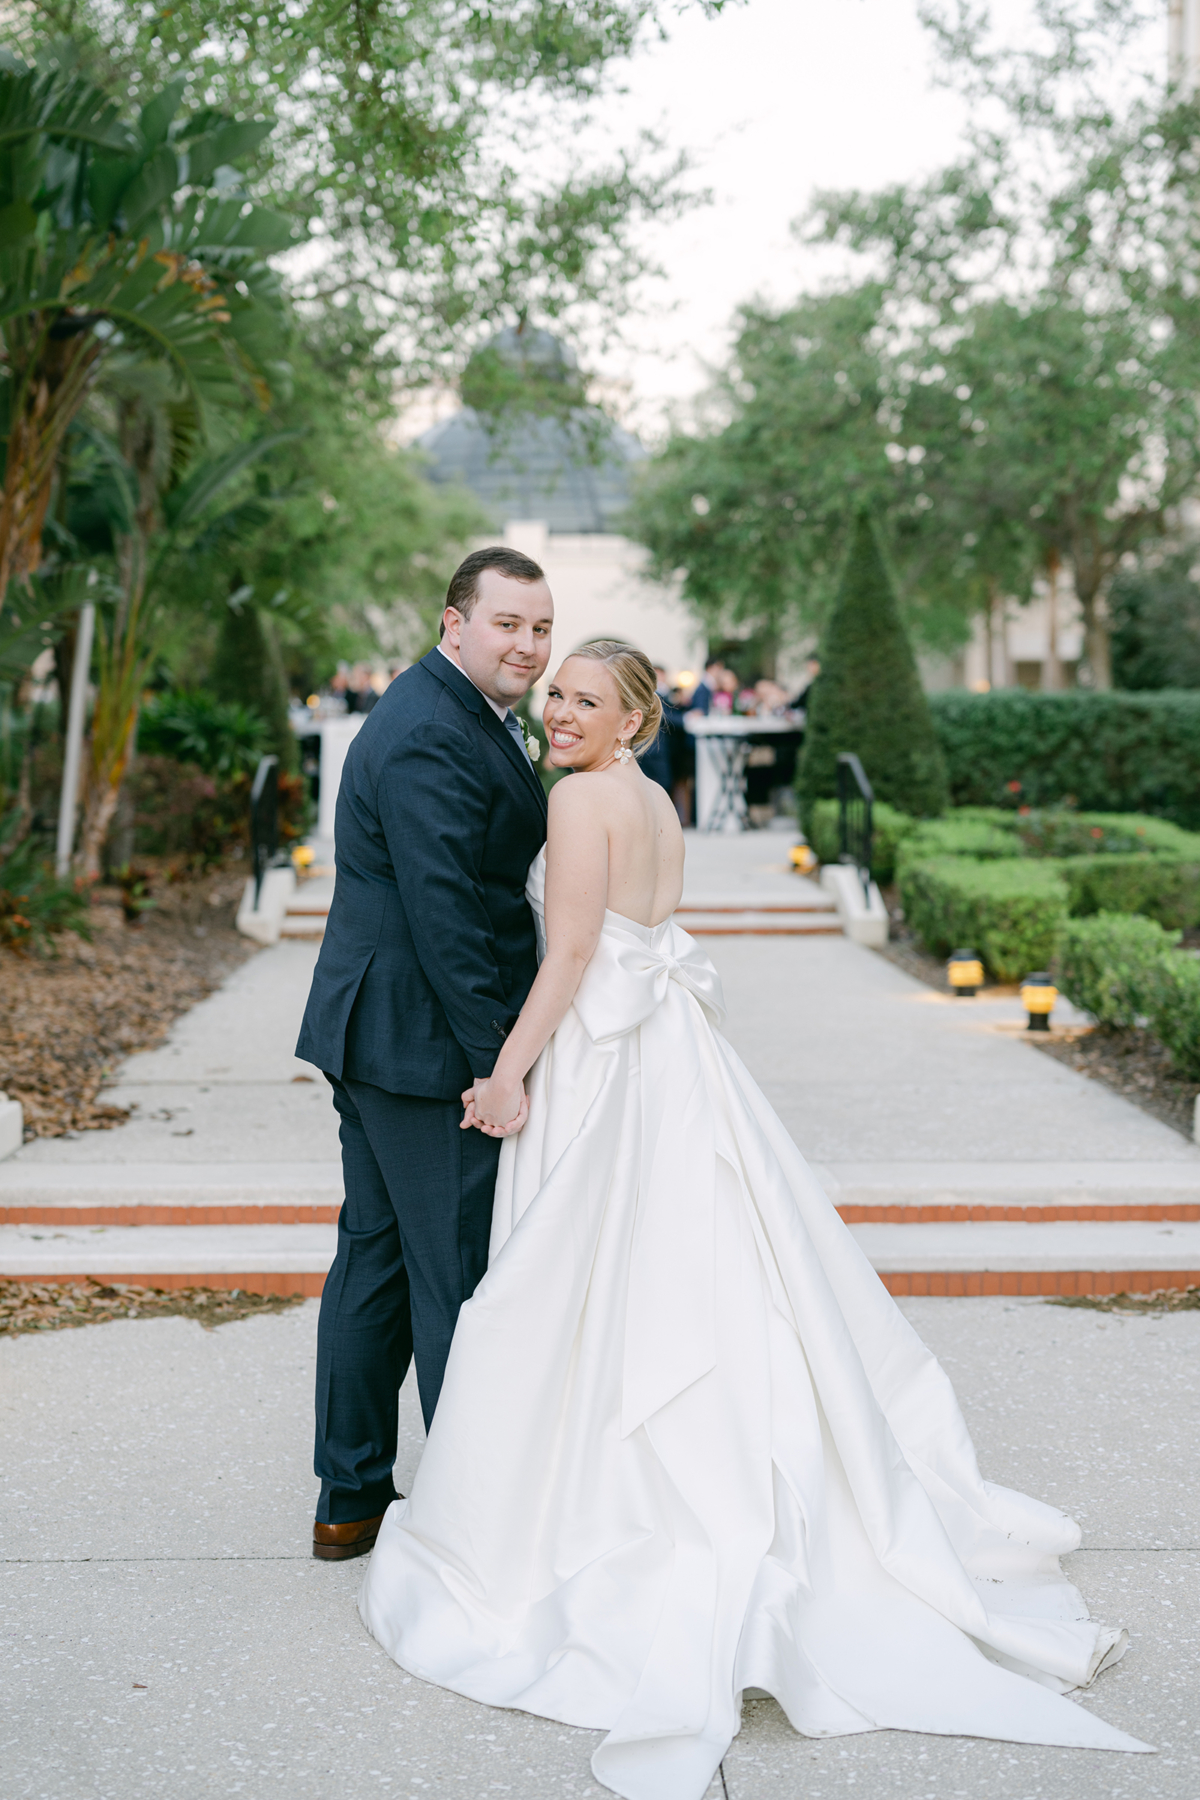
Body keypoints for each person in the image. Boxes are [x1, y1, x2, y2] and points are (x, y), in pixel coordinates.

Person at [358, 639, 1147, 1800]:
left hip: (605, 1061)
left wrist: (510, 1073)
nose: (560, 711)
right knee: (698, 1267)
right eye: (556, 694)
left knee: (594, 1278)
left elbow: (573, 951)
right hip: (669, 1053)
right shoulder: (652, 802)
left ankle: (601, 1508)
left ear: (632, 721)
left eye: (587, 700)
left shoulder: (580, 801)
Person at [295, 545, 553, 1561]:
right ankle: (465, 1521)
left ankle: (350, 1500)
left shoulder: (463, 715)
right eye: (507, 625)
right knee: (454, 1276)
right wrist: (500, 1063)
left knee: (380, 1260)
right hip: (422, 1044)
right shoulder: (425, 732)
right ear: (455, 624)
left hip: (387, 1032)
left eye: (540, 627)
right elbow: (446, 912)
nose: (527, 645)